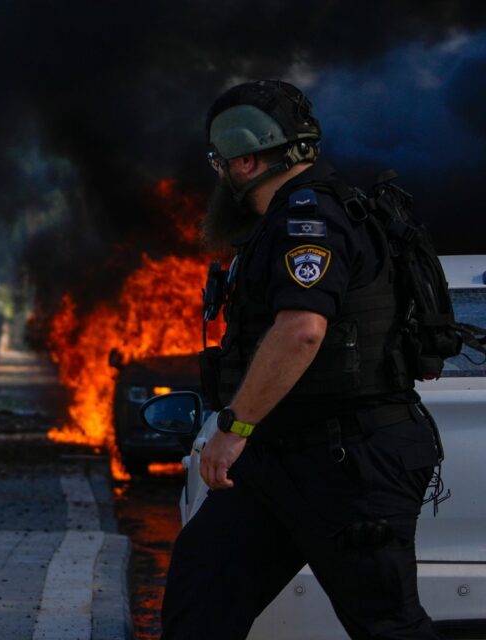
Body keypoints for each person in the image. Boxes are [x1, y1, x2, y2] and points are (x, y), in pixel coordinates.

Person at [163, 80, 442, 639]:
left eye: (220, 161)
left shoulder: (307, 220)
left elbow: (301, 331)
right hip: (281, 461)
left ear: (245, 161)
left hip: (351, 463)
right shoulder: (291, 218)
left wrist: (235, 426)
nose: (218, 174)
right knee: (201, 599)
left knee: (388, 626)